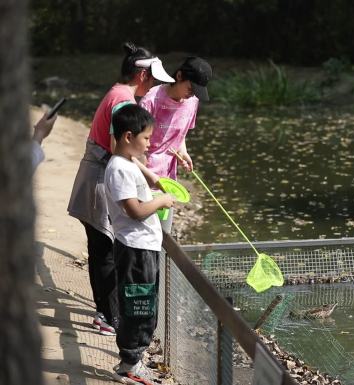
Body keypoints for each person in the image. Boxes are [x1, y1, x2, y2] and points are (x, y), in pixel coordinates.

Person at [67, 42, 175, 336]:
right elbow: (118, 148)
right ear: (142, 76)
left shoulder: (119, 92)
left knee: (99, 249)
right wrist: (151, 181)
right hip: (99, 179)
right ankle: (109, 316)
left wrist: (149, 175)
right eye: (153, 81)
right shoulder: (124, 101)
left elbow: (120, 148)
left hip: (94, 174)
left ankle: (105, 312)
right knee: (106, 252)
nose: (154, 88)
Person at [104, 104, 174, 384]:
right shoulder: (119, 169)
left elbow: (135, 164)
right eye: (146, 138)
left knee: (143, 303)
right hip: (136, 249)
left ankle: (133, 359)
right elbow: (134, 210)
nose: (150, 143)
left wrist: (154, 178)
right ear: (128, 137)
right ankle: (130, 363)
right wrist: (160, 201)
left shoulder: (126, 161)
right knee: (139, 306)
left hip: (142, 247)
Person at [139, 56, 212, 233]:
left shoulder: (192, 102)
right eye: (190, 88)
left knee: (165, 234)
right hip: (144, 175)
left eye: (196, 92)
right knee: (143, 233)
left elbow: (181, 133)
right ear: (179, 76)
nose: (192, 94)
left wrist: (183, 151)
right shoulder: (151, 100)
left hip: (168, 180)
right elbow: (133, 147)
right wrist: (147, 176)